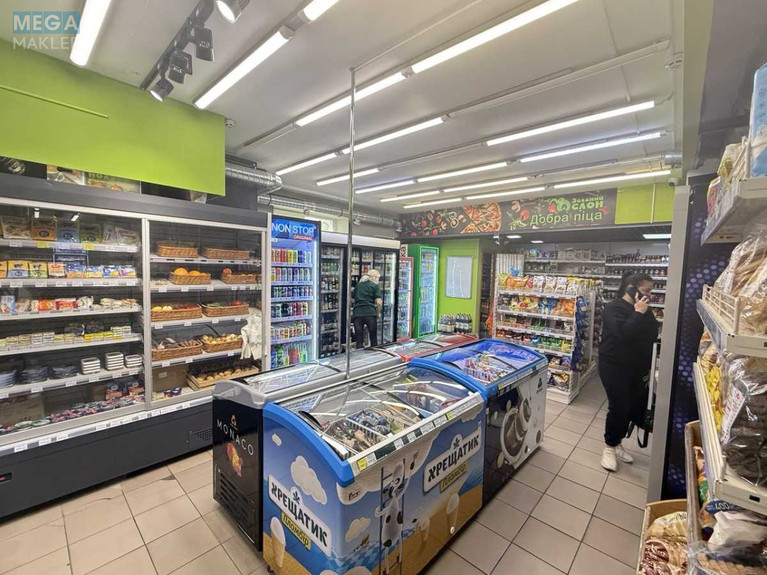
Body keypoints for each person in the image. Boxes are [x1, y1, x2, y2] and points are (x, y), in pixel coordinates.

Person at [598, 272, 659, 471]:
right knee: (619, 406)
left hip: (637, 366)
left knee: (631, 406)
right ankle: (609, 447)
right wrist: (638, 313)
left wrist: (643, 313)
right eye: (645, 291)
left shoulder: (644, 309)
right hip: (613, 366)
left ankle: (617, 443)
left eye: (650, 291)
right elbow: (622, 334)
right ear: (631, 289)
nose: (649, 295)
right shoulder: (613, 308)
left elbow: (652, 332)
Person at [352, 269, 383, 349]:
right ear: (374, 277)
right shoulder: (374, 286)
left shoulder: (359, 285)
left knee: (359, 339)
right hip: (370, 313)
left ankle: (360, 354)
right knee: (373, 338)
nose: (378, 280)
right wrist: (378, 312)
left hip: (357, 313)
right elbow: (379, 302)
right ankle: (374, 353)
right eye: (378, 278)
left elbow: (352, 296)